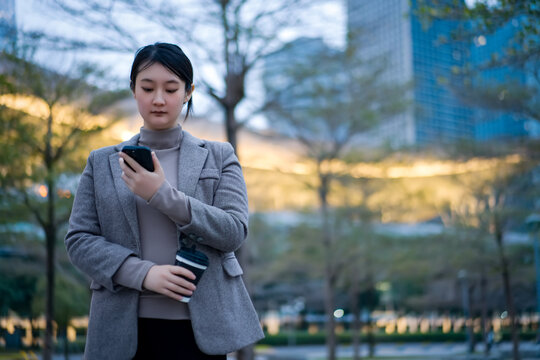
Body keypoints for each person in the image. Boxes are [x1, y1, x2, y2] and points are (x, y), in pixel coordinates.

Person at [65, 42, 264, 360]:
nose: (159, 99)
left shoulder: (219, 156)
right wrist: (142, 274)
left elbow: (233, 232)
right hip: (123, 330)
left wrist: (162, 195)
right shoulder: (101, 162)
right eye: (148, 87)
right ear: (134, 90)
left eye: (171, 89)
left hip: (202, 333)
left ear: (188, 92)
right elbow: (79, 241)